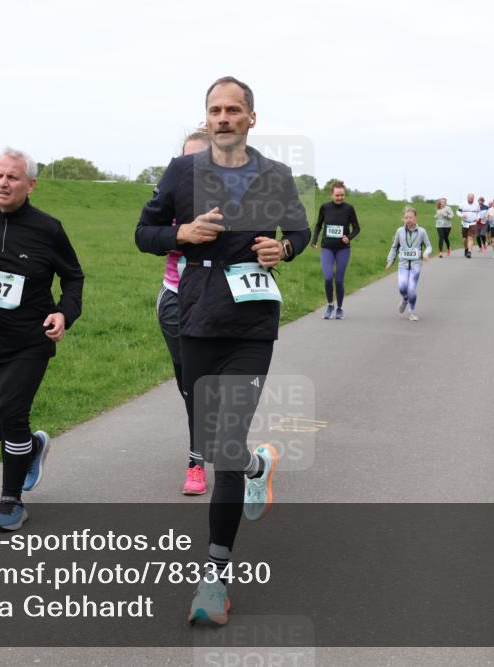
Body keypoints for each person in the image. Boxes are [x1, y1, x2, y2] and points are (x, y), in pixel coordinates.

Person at [135, 76, 310, 626]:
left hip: (251, 324)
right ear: (206, 118)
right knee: (215, 443)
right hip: (198, 317)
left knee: (225, 441)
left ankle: (215, 574)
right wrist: (180, 235)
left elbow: (300, 232)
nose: (224, 117)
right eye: (216, 110)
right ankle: (259, 464)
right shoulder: (181, 172)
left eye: (234, 109)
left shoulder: (275, 175)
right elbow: (143, 232)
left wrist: (282, 248)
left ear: (251, 118)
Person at [0, 148, 84, 531]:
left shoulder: (48, 229)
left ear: (31, 185)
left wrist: (64, 313)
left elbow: (73, 277)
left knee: (12, 414)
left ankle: (11, 503)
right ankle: (33, 447)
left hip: (30, 342)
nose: (2, 183)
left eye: (12, 177)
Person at [155, 130, 212, 495]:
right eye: (186, 160)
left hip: (218, 302)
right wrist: (182, 235)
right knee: (188, 385)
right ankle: (201, 446)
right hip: (176, 299)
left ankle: (196, 461)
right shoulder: (172, 197)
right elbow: (148, 234)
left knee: (203, 385)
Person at [312, 181, 360, 319]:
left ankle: (339, 308)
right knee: (328, 277)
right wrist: (314, 239)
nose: (340, 198)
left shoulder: (349, 209)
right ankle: (329, 305)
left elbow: (357, 228)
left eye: (342, 195)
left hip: (342, 249)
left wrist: (349, 237)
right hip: (327, 248)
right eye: (337, 195)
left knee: (338, 280)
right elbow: (318, 225)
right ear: (331, 194)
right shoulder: (325, 208)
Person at [386, 206, 432, 321]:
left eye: (411, 217)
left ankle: (411, 312)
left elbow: (429, 246)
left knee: (411, 289)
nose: (408, 220)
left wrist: (426, 253)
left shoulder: (422, 232)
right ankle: (405, 299)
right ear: (403, 219)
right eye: (406, 217)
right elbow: (394, 247)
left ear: (415, 218)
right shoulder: (399, 231)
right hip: (403, 265)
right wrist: (390, 260)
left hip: (416, 265)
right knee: (402, 288)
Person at [458, 193, 479, 259]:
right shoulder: (462, 204)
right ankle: (466, 248)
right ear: (467, 198)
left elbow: (479, 212)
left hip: (473, 223)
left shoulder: (476, 205)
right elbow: (458, 212)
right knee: (464, 239)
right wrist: (462, 215)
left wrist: (478, 217)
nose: (471, 199)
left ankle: (469, 252)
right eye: (470, 198)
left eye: (472, 198)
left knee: (470, 238)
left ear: (474, 198)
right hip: (465, 223)